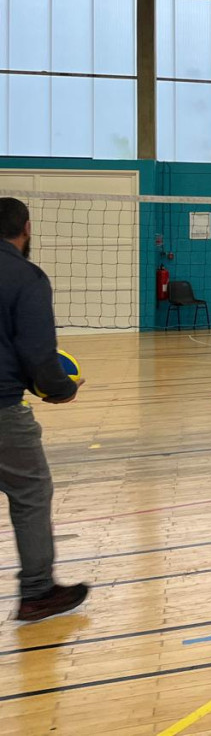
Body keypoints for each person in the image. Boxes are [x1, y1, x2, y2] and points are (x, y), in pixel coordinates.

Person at [0, 197, 88, 621]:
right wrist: (59, 389)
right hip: (2, 411)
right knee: (30, 494)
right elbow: (37, 351)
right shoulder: (26, 276)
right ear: (27, 228)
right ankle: (36, 592)